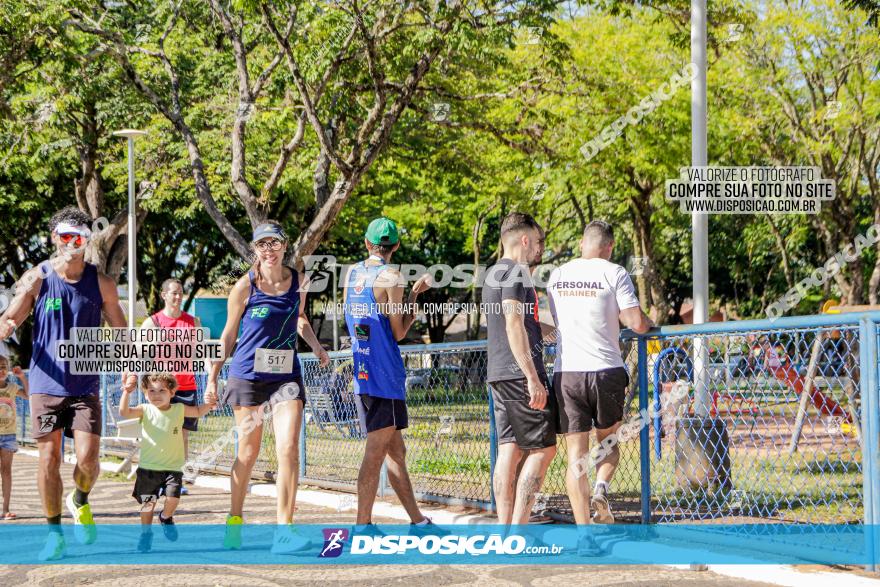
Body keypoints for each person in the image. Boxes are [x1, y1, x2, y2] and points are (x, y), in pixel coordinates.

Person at [0, 206, 127, 560]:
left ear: (87, 239)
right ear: (55, 239)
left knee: (88, 461)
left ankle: (80, 499)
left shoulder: (101, 283)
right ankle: (53, 532)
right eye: (67, 236)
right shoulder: (38, 277)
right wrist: (7, 325)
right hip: (45, 381)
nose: (74, 243)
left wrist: (132, 364)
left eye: (80, 237)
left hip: (85, 384)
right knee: (49, 458)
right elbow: (13, 314)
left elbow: (120, 327)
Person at [205, 221, 330, 554]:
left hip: (286, 374)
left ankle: (284, 531)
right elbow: (229, 335)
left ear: (284, 246)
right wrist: (212, 376)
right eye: (262, 245)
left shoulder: (298, 281)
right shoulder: (244, 287)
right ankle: (234, 518)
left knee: (288, 448)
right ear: (254, 249)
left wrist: (316, 347)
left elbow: (299, 318)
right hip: (248, 375)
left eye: (274, 243)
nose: (268, 250)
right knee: (248, 453)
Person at [547, 220, 651, 531]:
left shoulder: (557, 275)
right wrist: (649, 320)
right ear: (609, 247)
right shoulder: (614, 271)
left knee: (575, 458)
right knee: (608, 443)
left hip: (567, 374)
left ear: (582, 243)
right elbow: (637, 323)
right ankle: (601, 489)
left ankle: (584, 535)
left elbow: (558, 321)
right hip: (606, 371)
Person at [343, 217, 435, 532]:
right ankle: (362, 526)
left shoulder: (352, 273)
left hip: (363, 370)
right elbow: (398, 332)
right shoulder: (392, 276)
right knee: (376, 451)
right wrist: (414, 297)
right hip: (386, 375)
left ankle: (418, 521)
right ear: (395, 246)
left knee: (396, 450)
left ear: (367, 244)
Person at [482, 212, 559, 528]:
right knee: (545, 450)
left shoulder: (493, 273)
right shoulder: (515, 271)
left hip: (498, 372)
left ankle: (504, 530)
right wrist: (531, 376)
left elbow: (507, 322)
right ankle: (519, 529)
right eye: (538, 241)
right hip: (518, 373)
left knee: (509, 451)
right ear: (524, 239)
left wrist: (539, 327)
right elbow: (512, 323)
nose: (540, 248)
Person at [119, 372, 216, 552]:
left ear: (172, 392)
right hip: (149, 468)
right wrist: (126, 392)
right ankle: (146, 534)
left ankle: (165, 517)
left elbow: (197, 411)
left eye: (162, 390)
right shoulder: (144, 409)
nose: (156, 395)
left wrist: (210, 404)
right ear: (145, 392)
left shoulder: (179, 409)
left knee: (173, 499)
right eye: (151, 390)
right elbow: (124, 412)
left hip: (172, 468)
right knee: (148, 505)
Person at [141, 278, 204, 493]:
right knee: (161, 432)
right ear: (163, 295)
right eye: (173, 293)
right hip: (162, 388)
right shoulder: (153, 323)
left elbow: (200, 352)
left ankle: (177, 480)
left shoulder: (193, 322)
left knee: (182, 434)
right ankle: (158, 478)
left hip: (186, 385)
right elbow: (138, 353)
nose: (177, 297)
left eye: (180, 293)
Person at [0, 357, 28, 520]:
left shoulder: (12, 387)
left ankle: (5, 509)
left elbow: (28, 395)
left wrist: (23, 378)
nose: (1, 370)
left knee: (6, 471)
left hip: (8, 436)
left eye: (4, 367)